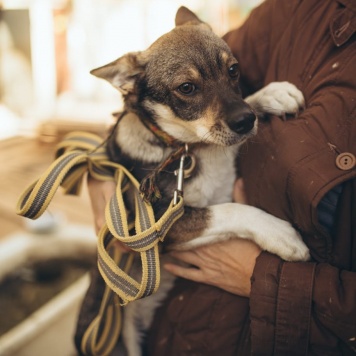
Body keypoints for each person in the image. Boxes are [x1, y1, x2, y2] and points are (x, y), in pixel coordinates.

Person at [87, 0, 356, 354]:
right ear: (131, 85)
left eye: (231, 72)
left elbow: (215, 85)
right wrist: (93, 172)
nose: (237, 109)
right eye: (187, 89)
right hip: (133, 324)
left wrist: (266, 281)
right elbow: (162, 228)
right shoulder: (304, 8)